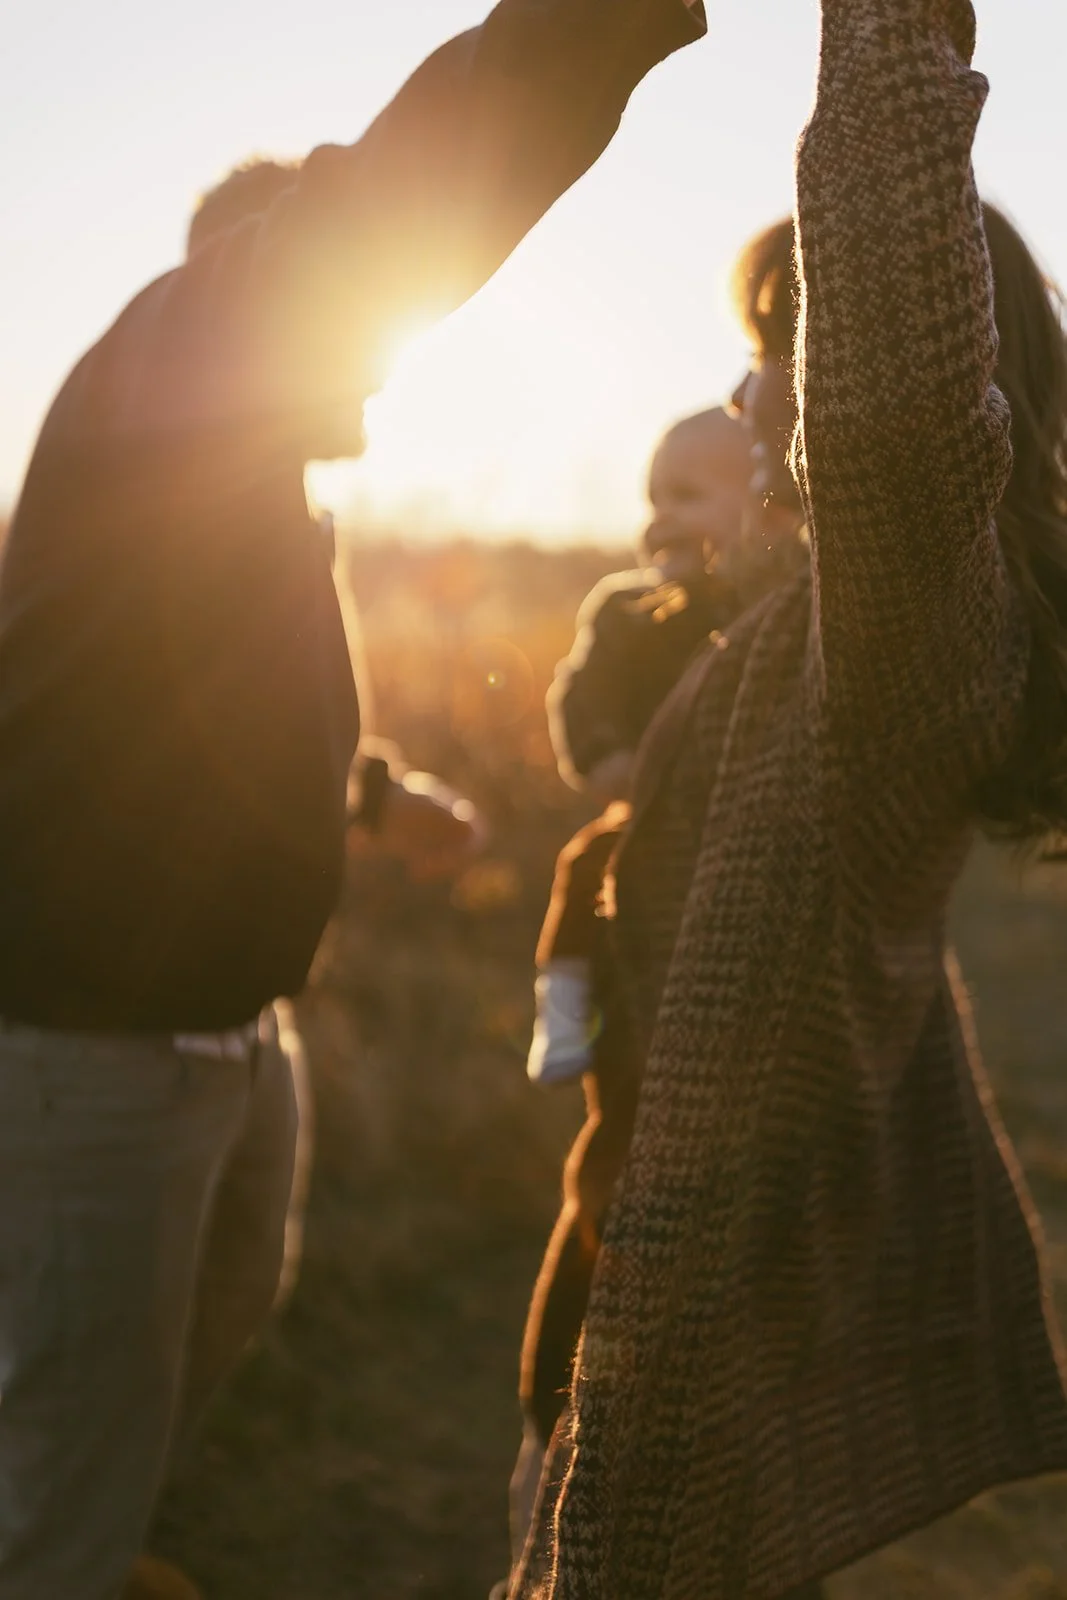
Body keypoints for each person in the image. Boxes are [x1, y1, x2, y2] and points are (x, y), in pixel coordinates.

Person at [0, 2, 707, 1596]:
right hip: (93, 1047)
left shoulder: (240, 491)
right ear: (241, 282)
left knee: (185, 1358)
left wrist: (376, 802)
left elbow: (192, 715)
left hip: (233, 1034)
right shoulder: (163, 368)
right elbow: (385, 206)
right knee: (70, 1461)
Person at [513, 1, 1067, 1596]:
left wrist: (886, 33)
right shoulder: (784, 637)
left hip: (712, 1357)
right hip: (632, 1278)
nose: (753, 397)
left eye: (785, 354)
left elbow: (894, 428)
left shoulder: (905, 645)